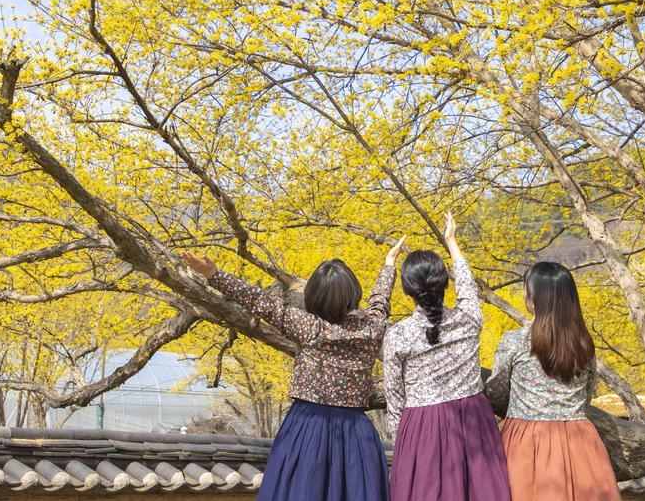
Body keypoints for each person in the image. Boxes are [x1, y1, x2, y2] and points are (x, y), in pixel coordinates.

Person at [180, 237, 406, 501]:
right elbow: (380, 303)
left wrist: (214, 274)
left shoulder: (308, 327)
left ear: (314, 297)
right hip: (355, 432)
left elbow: (260, 302)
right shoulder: (371, 329)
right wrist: (389, 265)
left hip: (308, 428)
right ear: (354, 295)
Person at [382, 213, 511, 501]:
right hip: (474, 420)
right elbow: (468, 286)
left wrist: (402, 444)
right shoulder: (469, 319)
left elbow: (394, 399)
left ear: (407, 292)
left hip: (421, 427)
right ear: (444, 285)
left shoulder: (398, 336)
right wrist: (451, 242)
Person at [485, 261, 620, 501]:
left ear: (535, 297)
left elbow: (495, 392)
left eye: (526, 289)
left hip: (526, 440)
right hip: (579, 440)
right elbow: (587, 395)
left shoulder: (515, 341)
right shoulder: (583, 344)